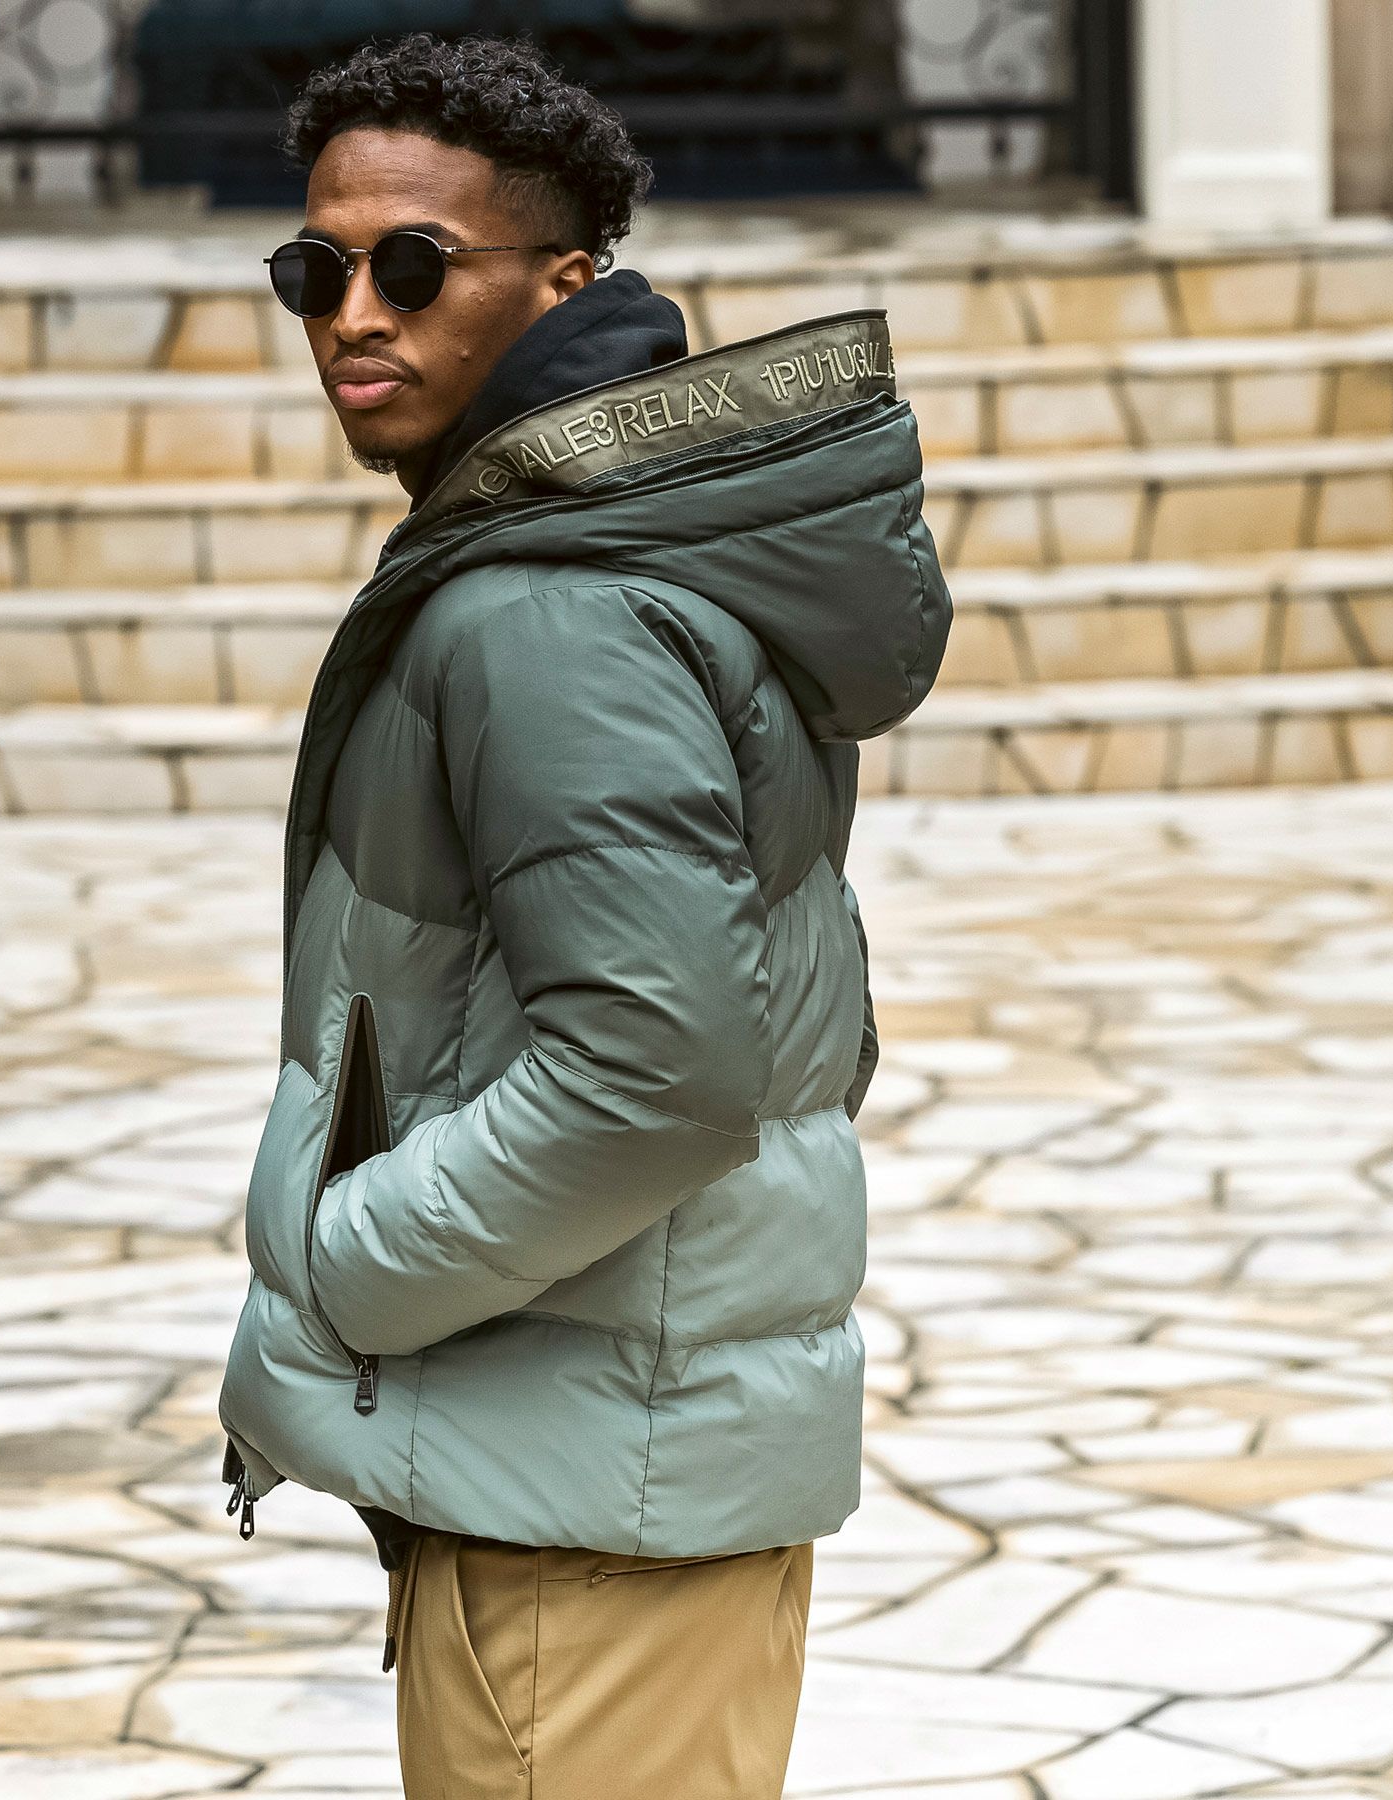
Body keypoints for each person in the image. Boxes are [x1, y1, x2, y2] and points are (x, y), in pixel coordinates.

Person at [216, 29, 951, 1799]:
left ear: (567, 280)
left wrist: (347, 1261)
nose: (353, 317)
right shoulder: (613, 552)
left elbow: (660, 1068)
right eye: (315, 272)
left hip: (589, 1515)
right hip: (608, 1456)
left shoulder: (551, 609)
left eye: (413, 266)